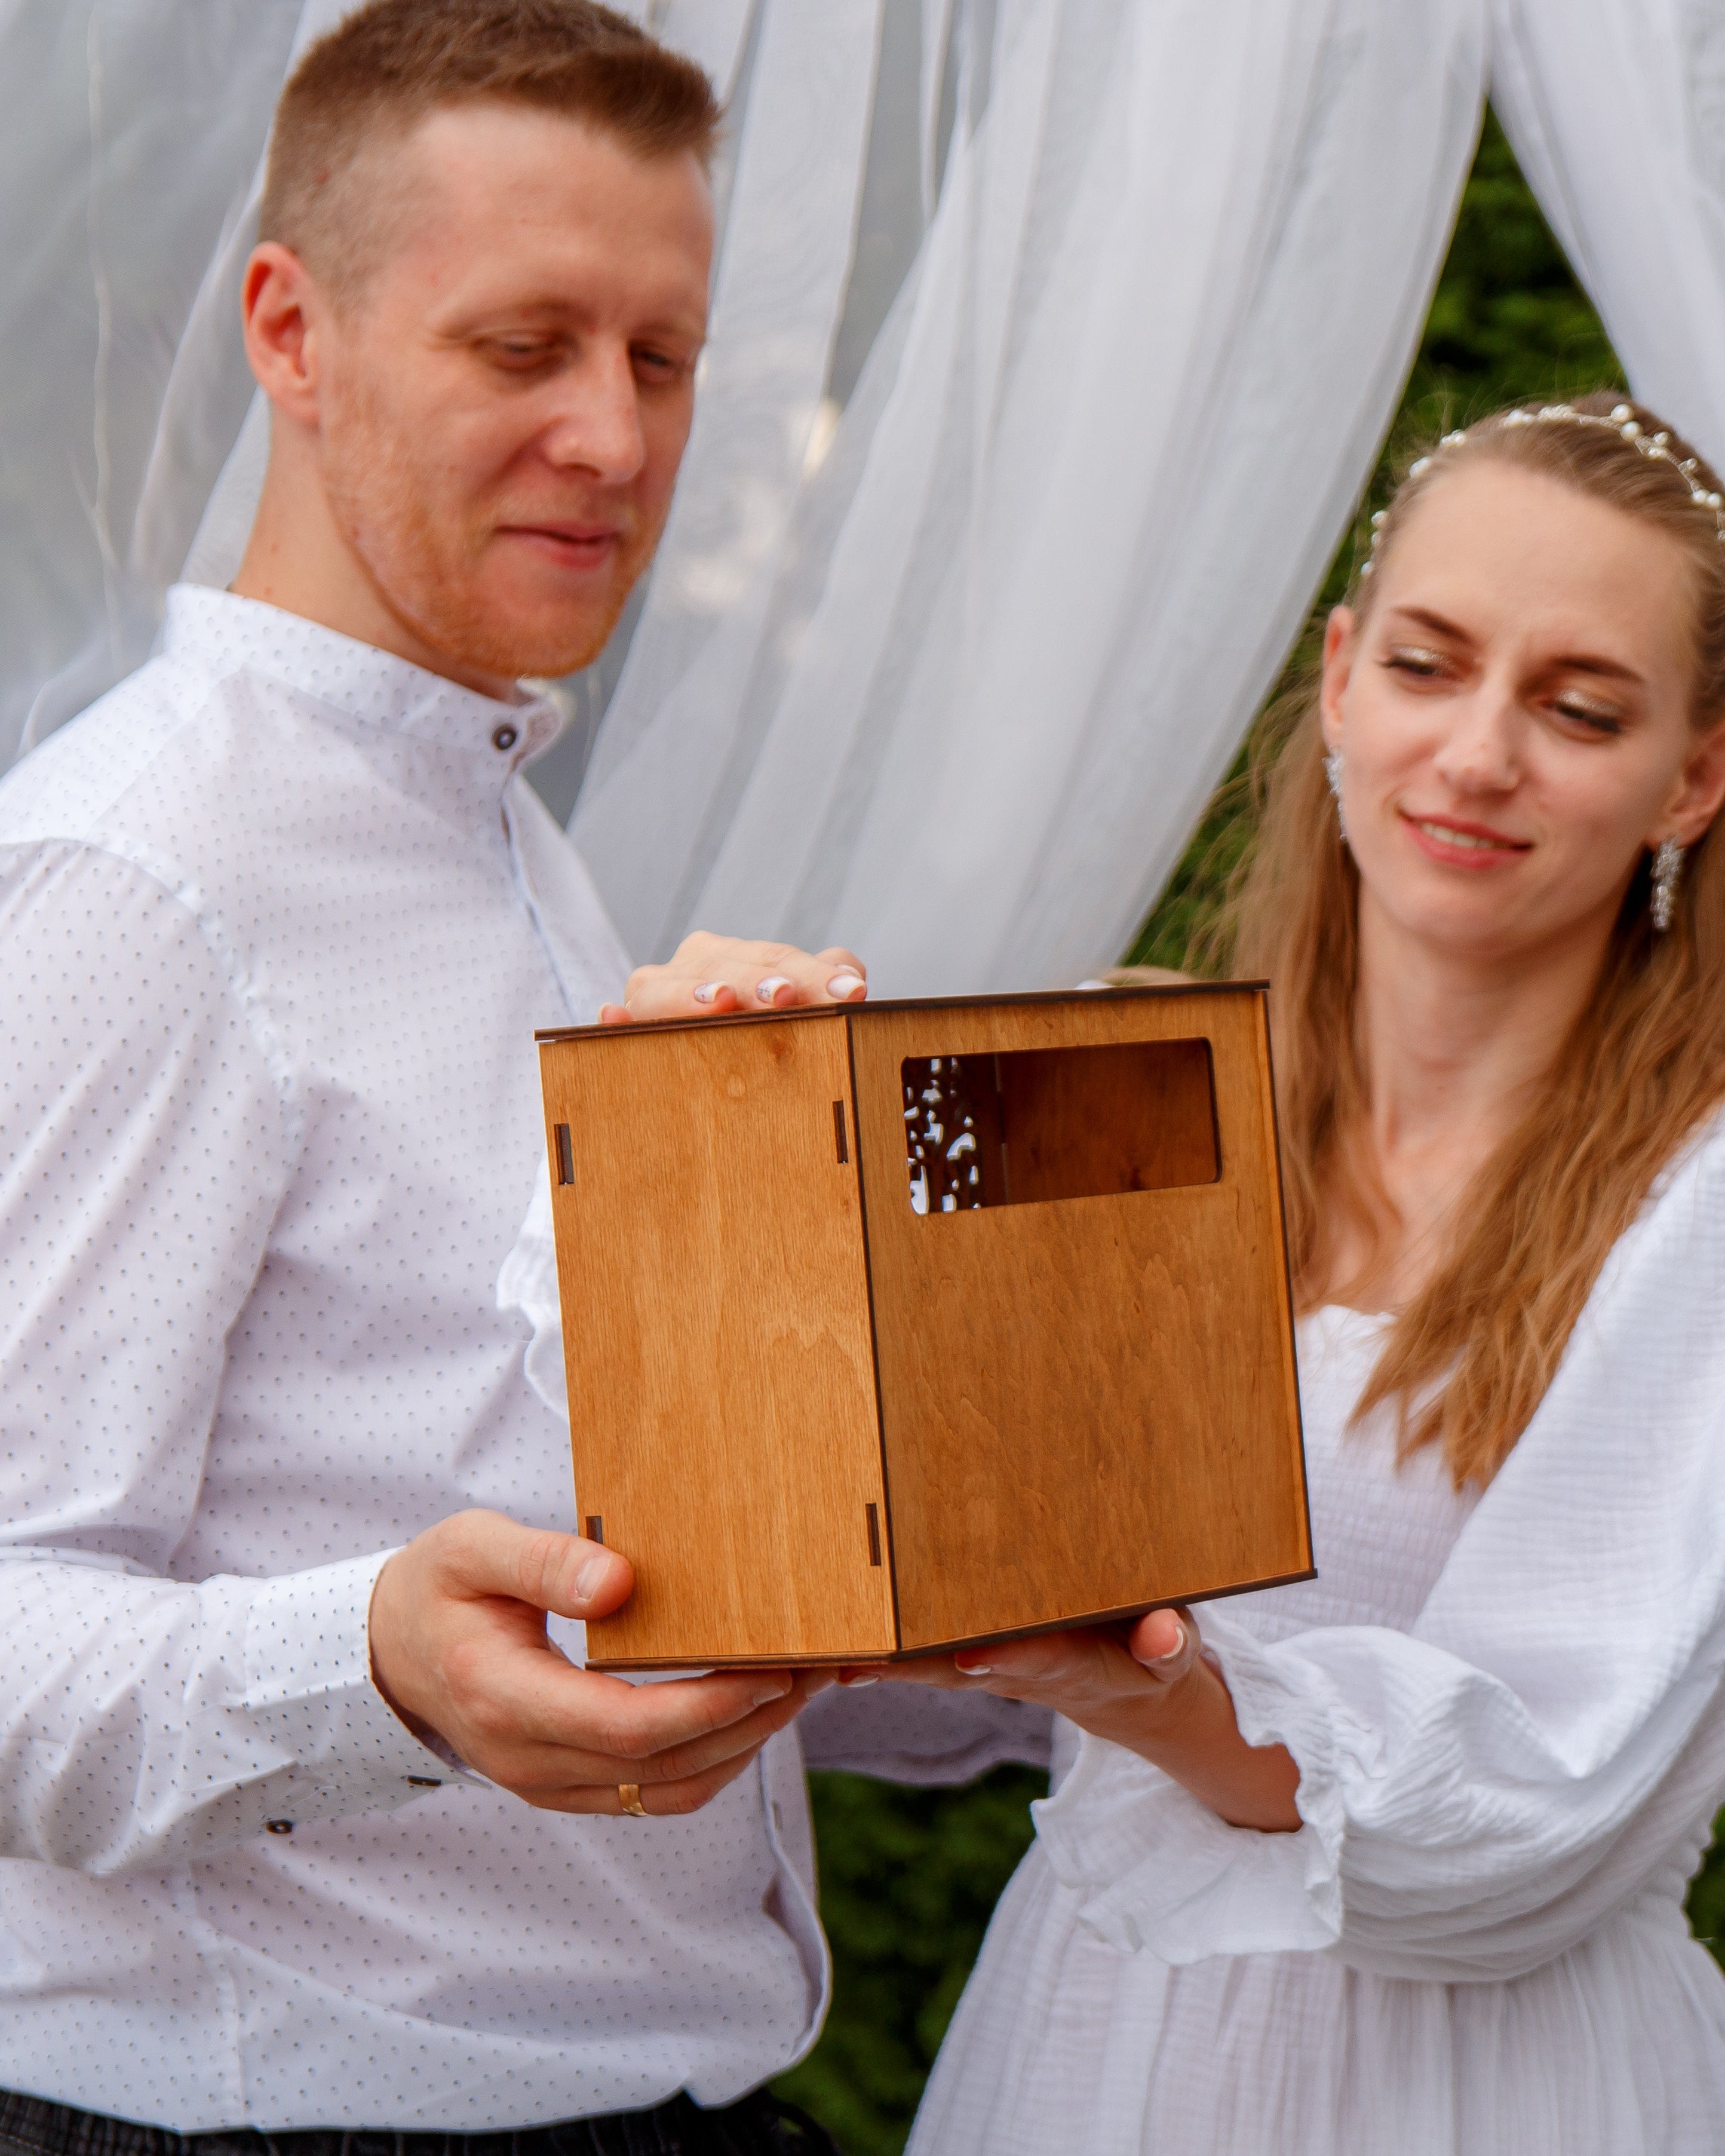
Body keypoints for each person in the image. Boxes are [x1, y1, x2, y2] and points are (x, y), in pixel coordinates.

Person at [0, 5, 1045, 2149]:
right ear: (291, 330)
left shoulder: (509, 837)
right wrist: (380, 1664)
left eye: (660, 359)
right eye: (523, 346)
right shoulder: (139, 876)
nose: (613, 436)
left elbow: (552, 1513)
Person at [866, 392, 1725, 2154]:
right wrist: (741, 1110)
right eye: (1429, 663)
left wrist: (1158, 1689)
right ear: (1338, 677)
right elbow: (870, 1572)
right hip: (1097, 2042)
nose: (1479, 753)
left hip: (1489, 2093)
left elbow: (1546, 1806)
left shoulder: (1699, 1203)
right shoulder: (1088, 1084)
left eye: (1578, 708)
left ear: (1694, 777)